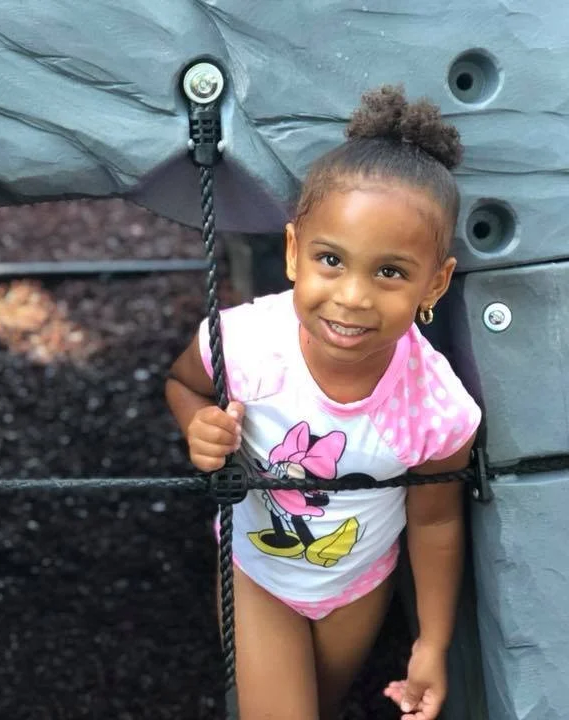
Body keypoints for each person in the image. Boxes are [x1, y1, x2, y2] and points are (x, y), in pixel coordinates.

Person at [165, 85, 481, 720]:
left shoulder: (437, 407)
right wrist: (197, 425)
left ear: (436, 283)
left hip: (359, 583)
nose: (354, 296)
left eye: (390, 272)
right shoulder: (249, 343)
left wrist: (431, 644)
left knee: (322, 701)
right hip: (256, 569)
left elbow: (436, 521)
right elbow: (185, 384)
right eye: (331, 260)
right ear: (292, 252)